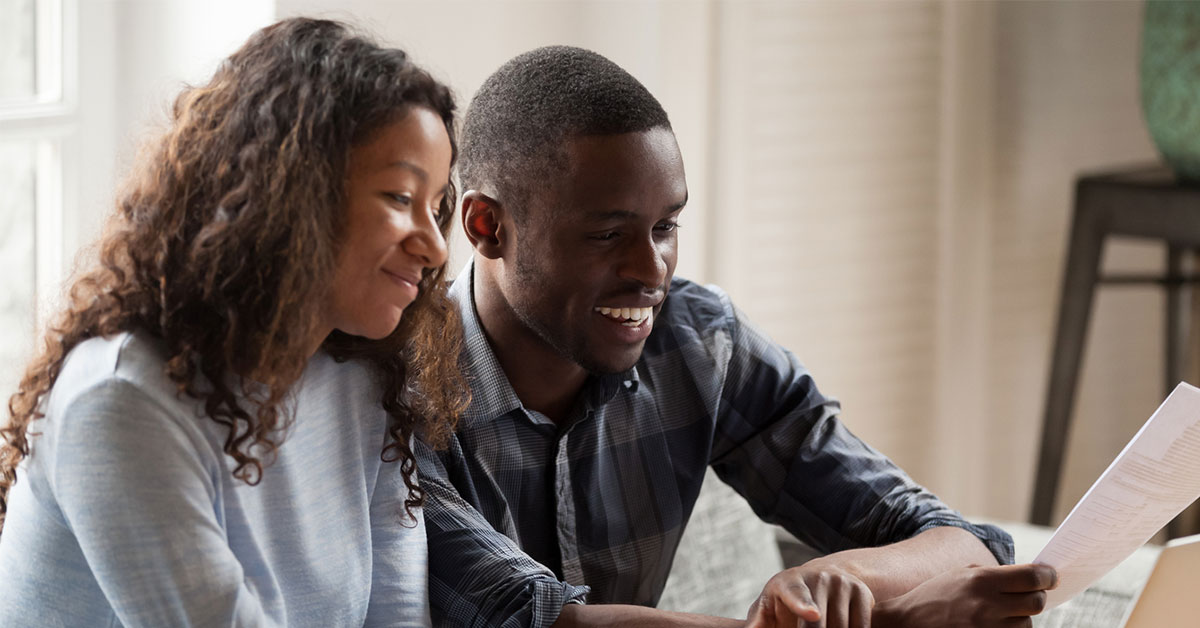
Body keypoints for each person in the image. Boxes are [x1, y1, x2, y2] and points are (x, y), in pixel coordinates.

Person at [415, 46, 1057, 628]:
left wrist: (838, 578)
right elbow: (533, 620)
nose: (650, 272)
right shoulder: (399, 393)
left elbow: (952, 538)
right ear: (486, 225)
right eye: (608, 234)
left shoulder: (698, 343)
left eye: (665, 227)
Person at [0, 18, 466, 627]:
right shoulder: (118, 399)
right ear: (296, 192)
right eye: (401, 199)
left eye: (436, 207)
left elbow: (398, 616)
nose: (434, 248)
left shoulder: (362, 372)